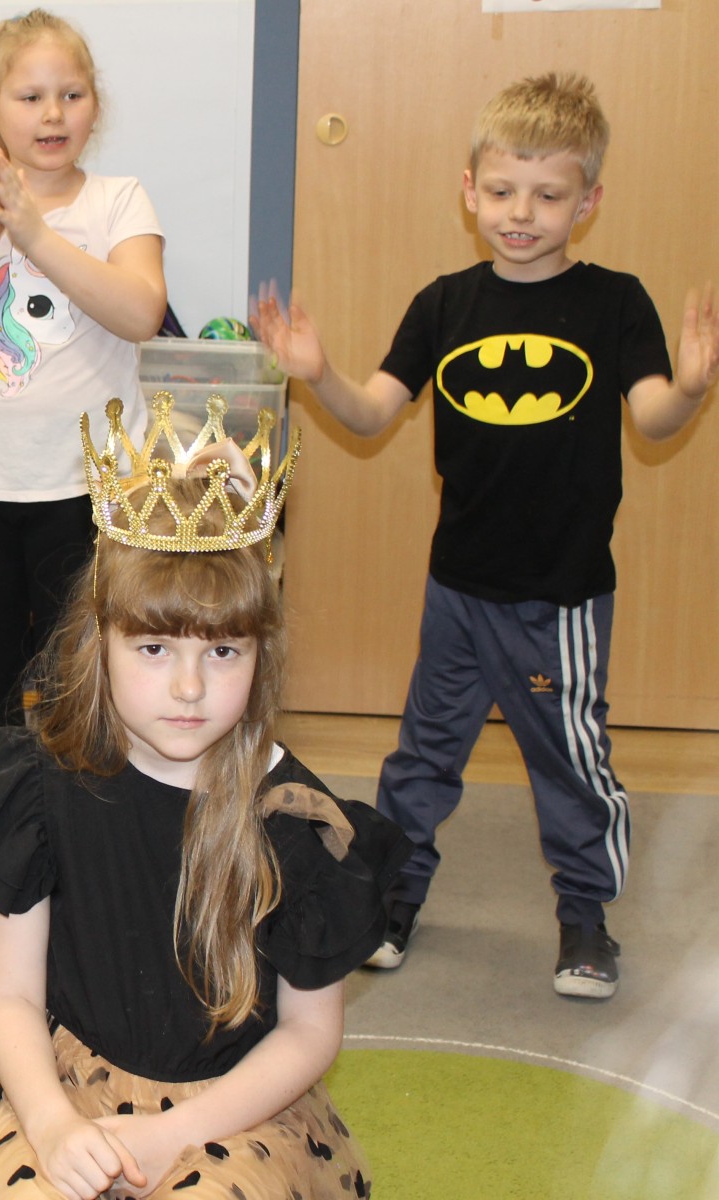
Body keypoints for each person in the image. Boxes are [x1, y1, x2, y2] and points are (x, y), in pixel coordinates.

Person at [252, 72, 718, 1000]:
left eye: (548, 195)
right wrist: (318, 372)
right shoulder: (445, 304)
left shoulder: (615, 302)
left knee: (569, 759)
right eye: (503, 191)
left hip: (561, 593)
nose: (521, 213)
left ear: (588, 201)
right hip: (458, 585)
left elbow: (654, 418)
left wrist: (692, 387)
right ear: (470, 190)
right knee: (423, 752)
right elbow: (372, 413)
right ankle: (394, 897)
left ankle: (584, 916)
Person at [0, 397, 410, 1200]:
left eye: (223, 652)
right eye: (155, 647)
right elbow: (12, 996)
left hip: (234, 1111)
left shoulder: (292, 818)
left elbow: (308, 1034)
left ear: (261, 653)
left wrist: (169, 1137)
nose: (189, 687)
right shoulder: (42, 786)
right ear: (100, 640)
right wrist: (52, 1127)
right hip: (63, 1087)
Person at [0, 7, 168, 891]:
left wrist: (37, 234)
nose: (53, 113)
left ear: (96, 106)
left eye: (72, 94)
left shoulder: (118, 200)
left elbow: (140, 312)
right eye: (30, 96)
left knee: (77, 674)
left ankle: (75, 841)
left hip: (85, 492)